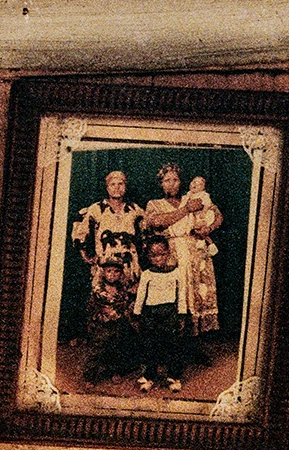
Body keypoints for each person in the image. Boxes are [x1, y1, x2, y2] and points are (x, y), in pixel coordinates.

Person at [144, 162, 224, 335]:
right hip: (172, 253)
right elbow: (157, 222)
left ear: (181, 182)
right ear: (161, 184)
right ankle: (177, 336)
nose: (171, 184)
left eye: (175, 180)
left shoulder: (192, 197)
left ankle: (196, 336)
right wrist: (187, 209)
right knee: (176, 295)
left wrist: (208, 228)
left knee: (199, 293)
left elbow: (217, 215)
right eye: (167, 181)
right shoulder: (155, 204)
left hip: (197, 252)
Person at [69, 169, 144, 343]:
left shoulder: (134, 209)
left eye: (121, 184)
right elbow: (81, 233)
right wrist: (86, 256)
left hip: (128, 262)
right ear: (107, 187)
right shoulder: (97, 209)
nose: (117, 188)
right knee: (104, 298)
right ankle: (103, 339)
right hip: (106, 262)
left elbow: (146, 233)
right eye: (113, 184)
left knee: (129, 298)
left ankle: (127, 340)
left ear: (126, 186)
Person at [129, 233, 191, 391]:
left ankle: (173, 377)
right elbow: (141, 296)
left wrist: (181, 315)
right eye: (153, 256)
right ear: (148, 256)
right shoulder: (147, 274)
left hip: (169, 313)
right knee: (150, 345)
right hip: (151, 314)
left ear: (168, 253)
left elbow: (181, 294)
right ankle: (150, 376)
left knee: (172, 345)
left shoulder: (177, 273)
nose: (158, 259)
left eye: (162, 254)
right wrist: (137, 314)